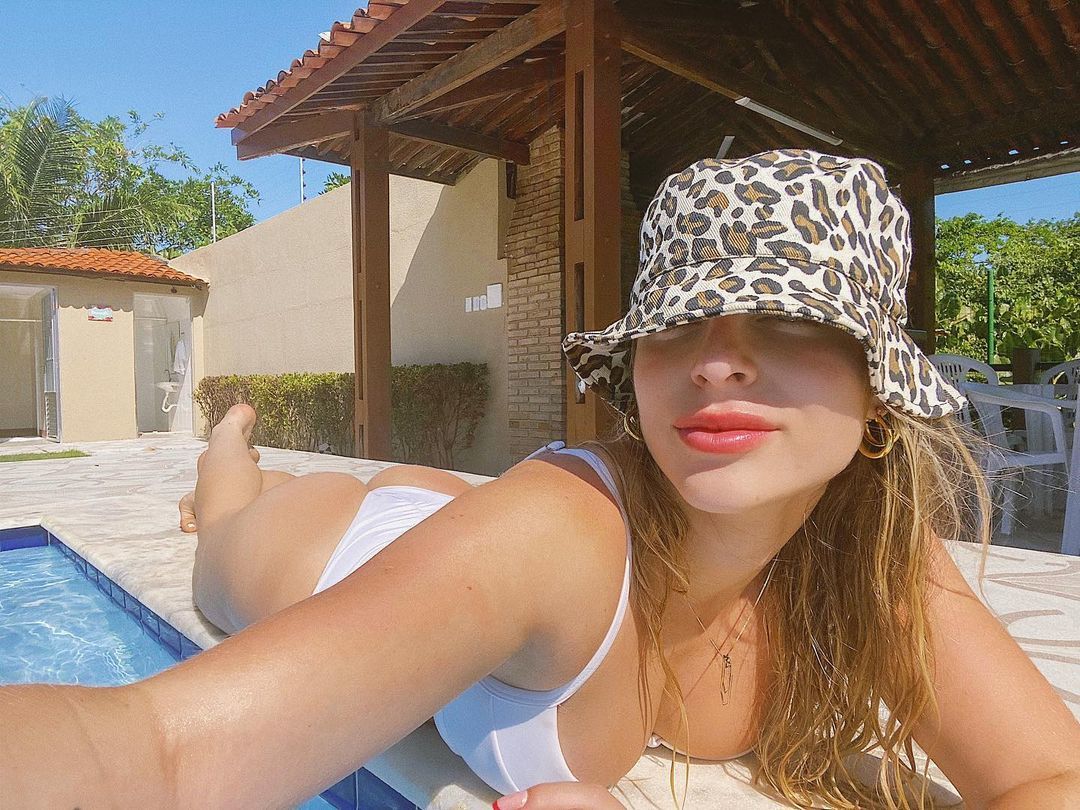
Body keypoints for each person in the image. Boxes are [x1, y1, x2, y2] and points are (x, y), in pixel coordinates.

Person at [3, 150, 1078, 810]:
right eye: (679, 325)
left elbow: (1049, 779)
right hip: (338, 551)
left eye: (790, 322)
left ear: (879, 392)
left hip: (475, 541)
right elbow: (157, 751)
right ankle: (233, 449)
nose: (716, 362)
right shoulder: (559, 534)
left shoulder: (872, 559)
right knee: (225, 530)